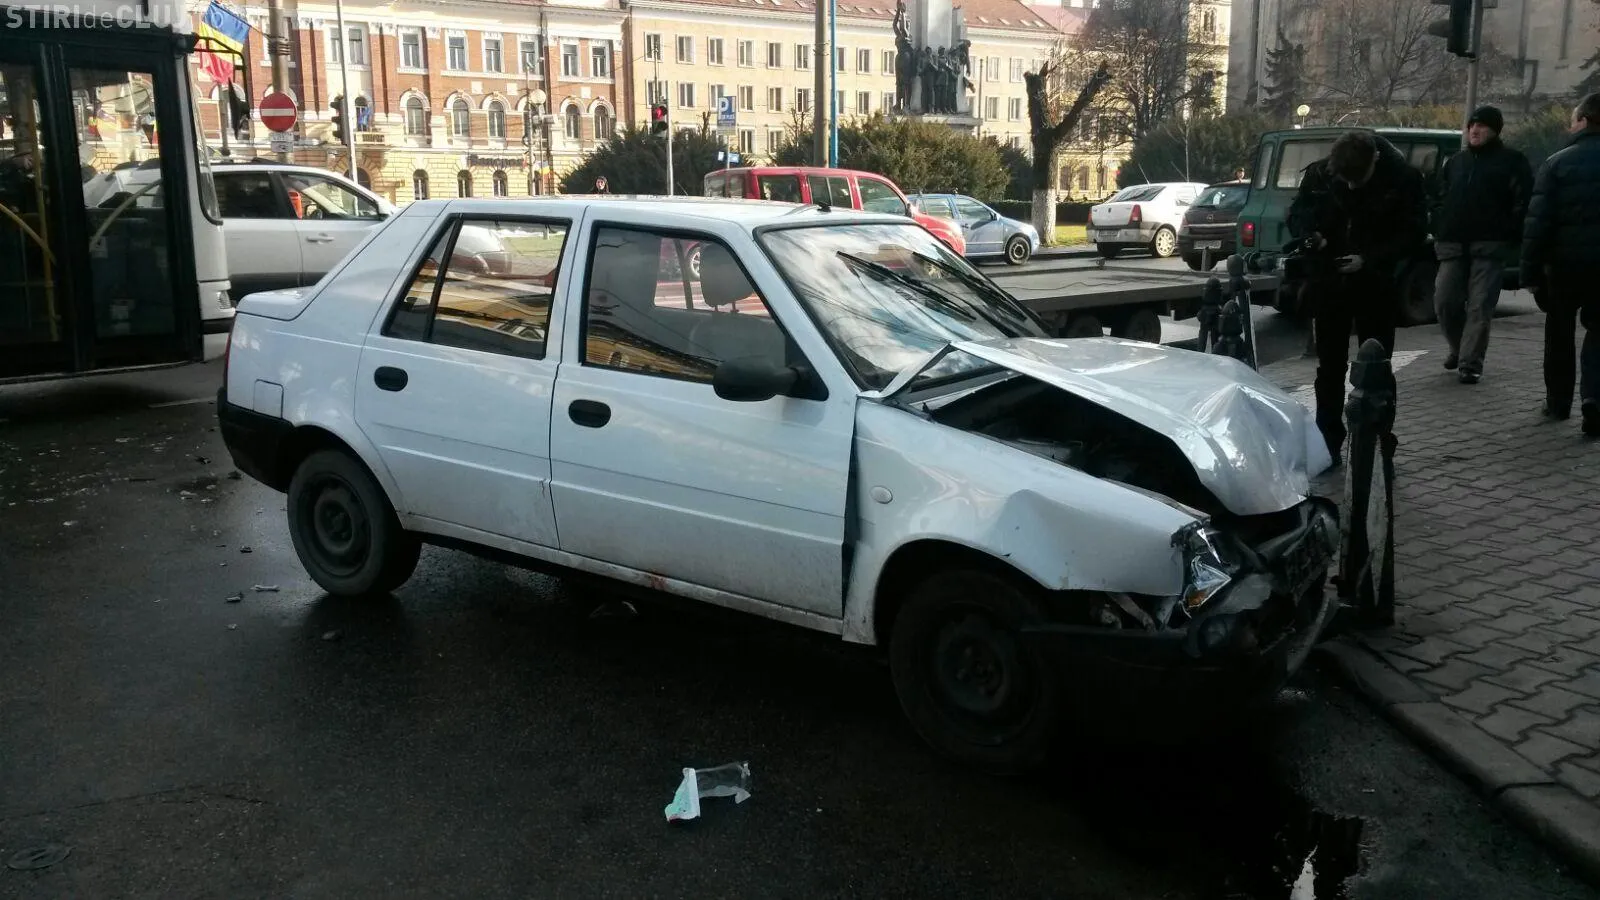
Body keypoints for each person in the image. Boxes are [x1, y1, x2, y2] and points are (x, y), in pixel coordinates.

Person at [1288, 130, 1429, 460]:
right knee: (1329, 367)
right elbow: (1297, 215)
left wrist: (1369, 258)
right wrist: (1313, 237)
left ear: (1375, 160)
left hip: (1375, 283)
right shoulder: (1322, 173)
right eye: (1346, 180)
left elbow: (1413, 232)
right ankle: (1328, 443)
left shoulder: (1403, 179)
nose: (1351, 186)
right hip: (1330, 280)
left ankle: (1378, 438)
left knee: (1377, 366)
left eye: (1358, 180)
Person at [1433, 106, 1533, 384]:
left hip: (1490, 245)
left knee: (1480, 307)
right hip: (1453, 244)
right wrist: (1440, 223)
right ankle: (1458, 349)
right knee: (1444, 303)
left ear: (1495, 131)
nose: (1475, 130)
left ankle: (1470, 363)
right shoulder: (1456, 162)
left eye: (1482, 126)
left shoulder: (1512, 161)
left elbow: (1523, 201)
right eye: (1471, 125)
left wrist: (1510, 232)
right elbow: (1440, 196)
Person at [1522, 92, 1600, 436]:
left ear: (1583, 120)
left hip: (1564, 265)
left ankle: (1558, 401)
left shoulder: (1557, 163)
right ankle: (1594, 398)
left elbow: (1538, 223)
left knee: (1559, 332)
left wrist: (1530, 271)